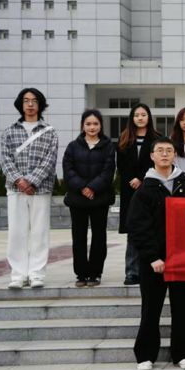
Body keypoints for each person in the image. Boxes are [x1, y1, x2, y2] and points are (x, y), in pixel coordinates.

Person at [127, 137, 185, 370]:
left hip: (183, 260)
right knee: (151, 309)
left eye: (169, 150)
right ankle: (146, 355)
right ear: (152, 156)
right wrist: (152, 257)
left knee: (183, 309)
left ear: (175, 155)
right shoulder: (145, 188)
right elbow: (137, 226)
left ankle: (182, 354)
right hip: (154, 262)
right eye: (160, 151)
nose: (165, 154)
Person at [0, 88, 58, 289]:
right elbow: (5, 159)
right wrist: (19, 181)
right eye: (26, 101)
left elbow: (50, 160)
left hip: (40, 189)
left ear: (40, 104)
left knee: (40, 233)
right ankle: (18, 275)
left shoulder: (49, 131)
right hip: (15, 189)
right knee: (17, 233)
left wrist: (32, 181)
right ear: (21, 104)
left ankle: (36, 274)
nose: (30, 104)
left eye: (34, 101)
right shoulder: (9, 131)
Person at [62, 109, 116, 287]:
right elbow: (68, 170)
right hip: (78, 199)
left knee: (99, 237)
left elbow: (108, 171)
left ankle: (95, 273)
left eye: (95, 124)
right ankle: (81, 274)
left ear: (101, 125)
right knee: (79, 237)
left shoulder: (108, 146)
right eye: (88, 124)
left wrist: (92, 187)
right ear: (82, 126)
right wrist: (82, 188)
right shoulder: (73, 146)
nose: (92, 127)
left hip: (99, 198)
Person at [117, 103, 161, 286]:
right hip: (130, 190)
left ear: (149, 117)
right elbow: (121, 166)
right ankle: (132, 271)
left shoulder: (157, 138)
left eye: (143, 114)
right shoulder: (124, 139)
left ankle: (151, 267)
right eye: (137, 115)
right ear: (132, 118)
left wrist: (142, 178)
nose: (140, 118)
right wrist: (133, 180)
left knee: (152, 228)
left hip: (150, 187)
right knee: (133, 229)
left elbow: (158, 163)